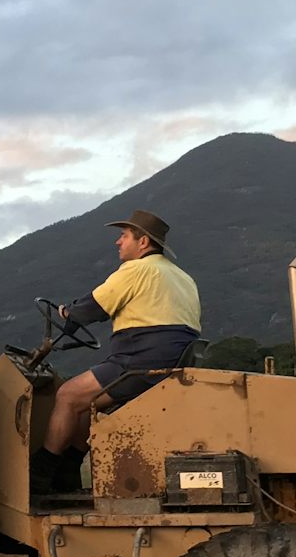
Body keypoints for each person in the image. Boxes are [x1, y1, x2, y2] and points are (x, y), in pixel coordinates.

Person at [38, 209, 202, 488]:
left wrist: (68, 312)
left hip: (141, 361)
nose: (118, 242)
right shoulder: (182, 277)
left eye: (124, 236)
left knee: (67, 395)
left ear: (143, 243)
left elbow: (91, 308)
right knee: (84, 404)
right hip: (169, 362)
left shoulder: (137, 269)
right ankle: (68, 473)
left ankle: (39, 474)